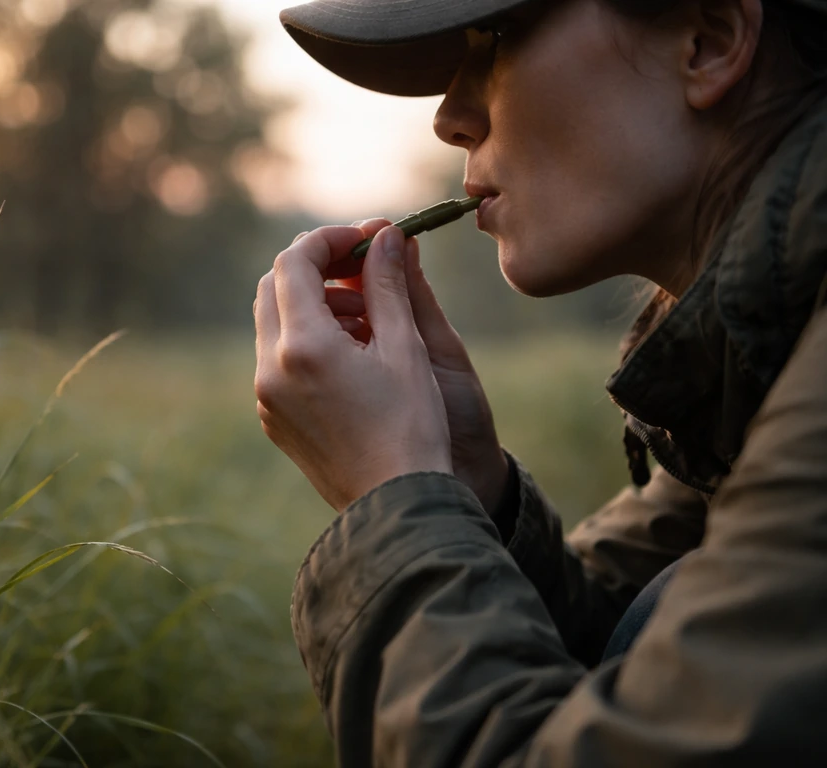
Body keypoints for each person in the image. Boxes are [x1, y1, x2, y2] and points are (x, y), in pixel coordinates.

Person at [253, 0, 827, 764]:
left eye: (489, 42)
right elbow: (648, 655)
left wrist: (390, 494)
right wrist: (469, 485)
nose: (449, 117)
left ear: (707, 40)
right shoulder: (768, 354)